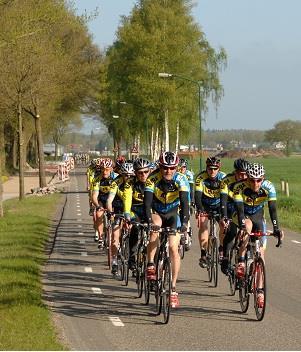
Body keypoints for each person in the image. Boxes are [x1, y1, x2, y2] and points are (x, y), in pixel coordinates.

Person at [232, 162, 283, 307]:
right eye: (252, 180)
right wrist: (242, 225)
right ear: (247, 178)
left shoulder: (269, 187)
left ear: (263, 179)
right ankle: (241, 260)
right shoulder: (239, 187)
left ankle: (260, 291)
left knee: (261, 254)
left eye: (258, 180)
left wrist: (276, 228)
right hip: (242, 215)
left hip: (259, 217)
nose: (255, 183)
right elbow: (240, 210)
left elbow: (272, 209)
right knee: (247, 226)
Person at [144, 151, 190, 308]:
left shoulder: (181, 179)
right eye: (165, 168)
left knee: (173, 248)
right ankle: (150, 263)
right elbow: (147, 203)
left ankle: (173, 288)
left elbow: (185, 204)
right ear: (160, 167)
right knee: (154, 228)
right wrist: (150, 221)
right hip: (157, 212)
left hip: (172, 215)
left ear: (176, 168)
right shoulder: (152, 179)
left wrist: (184, 224)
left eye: (172, 168)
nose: (168, 171)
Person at [195, 156, 226, 268]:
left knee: (224, 224)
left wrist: (224, 213)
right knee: (203, 224)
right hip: (205, 205)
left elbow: (225, 197)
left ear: (219, 168)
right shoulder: (201, 178)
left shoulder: (223, 178)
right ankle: (203, 253)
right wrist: (199, 209)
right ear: (206, 168)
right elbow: (197, 196)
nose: (212, 171)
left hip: (219, 205)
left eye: (215, 169)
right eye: (210, 168)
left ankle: (221, 248)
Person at [219, 158, 249, 274]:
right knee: (231, 231)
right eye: (240, 174)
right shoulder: (226, 181)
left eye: (245, 174)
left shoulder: (249, 181)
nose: (243, 177)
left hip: (243, 206)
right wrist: (224, 216)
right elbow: (223, 200)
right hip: (230, 205)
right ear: (235, 172)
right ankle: (226, 258)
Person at [122, 157, 152, 274]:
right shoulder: (130, 183)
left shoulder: (153, 181)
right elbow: (127, 199)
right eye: (140, 172)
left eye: (146, 172)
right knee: (135, 228)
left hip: (149, 211)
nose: (143, 175)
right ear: (135, 172)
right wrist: (127, 215)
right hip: (136, 211)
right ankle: (132, 257)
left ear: (149, 171)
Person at [106, 162, 135, 275]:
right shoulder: (115, 182)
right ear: (121, 174)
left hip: (132, 210)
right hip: (118, 209)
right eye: (125, 175)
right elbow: (109, 200)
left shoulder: (135, 183)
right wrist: (111, 212)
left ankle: (135, 260)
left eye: (130, 175)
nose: (128, 178)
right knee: (115, 236)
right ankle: (114, 261)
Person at [91, 158, 118, 249]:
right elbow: (94, 196)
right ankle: (101, 237)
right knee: (98, 214)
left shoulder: (117, 177)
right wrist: (98, 206)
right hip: (102, 200)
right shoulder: (97, 179)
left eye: (107, 169)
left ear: (111, 169)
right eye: (103, 169)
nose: (104, 172)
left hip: (114, 200)